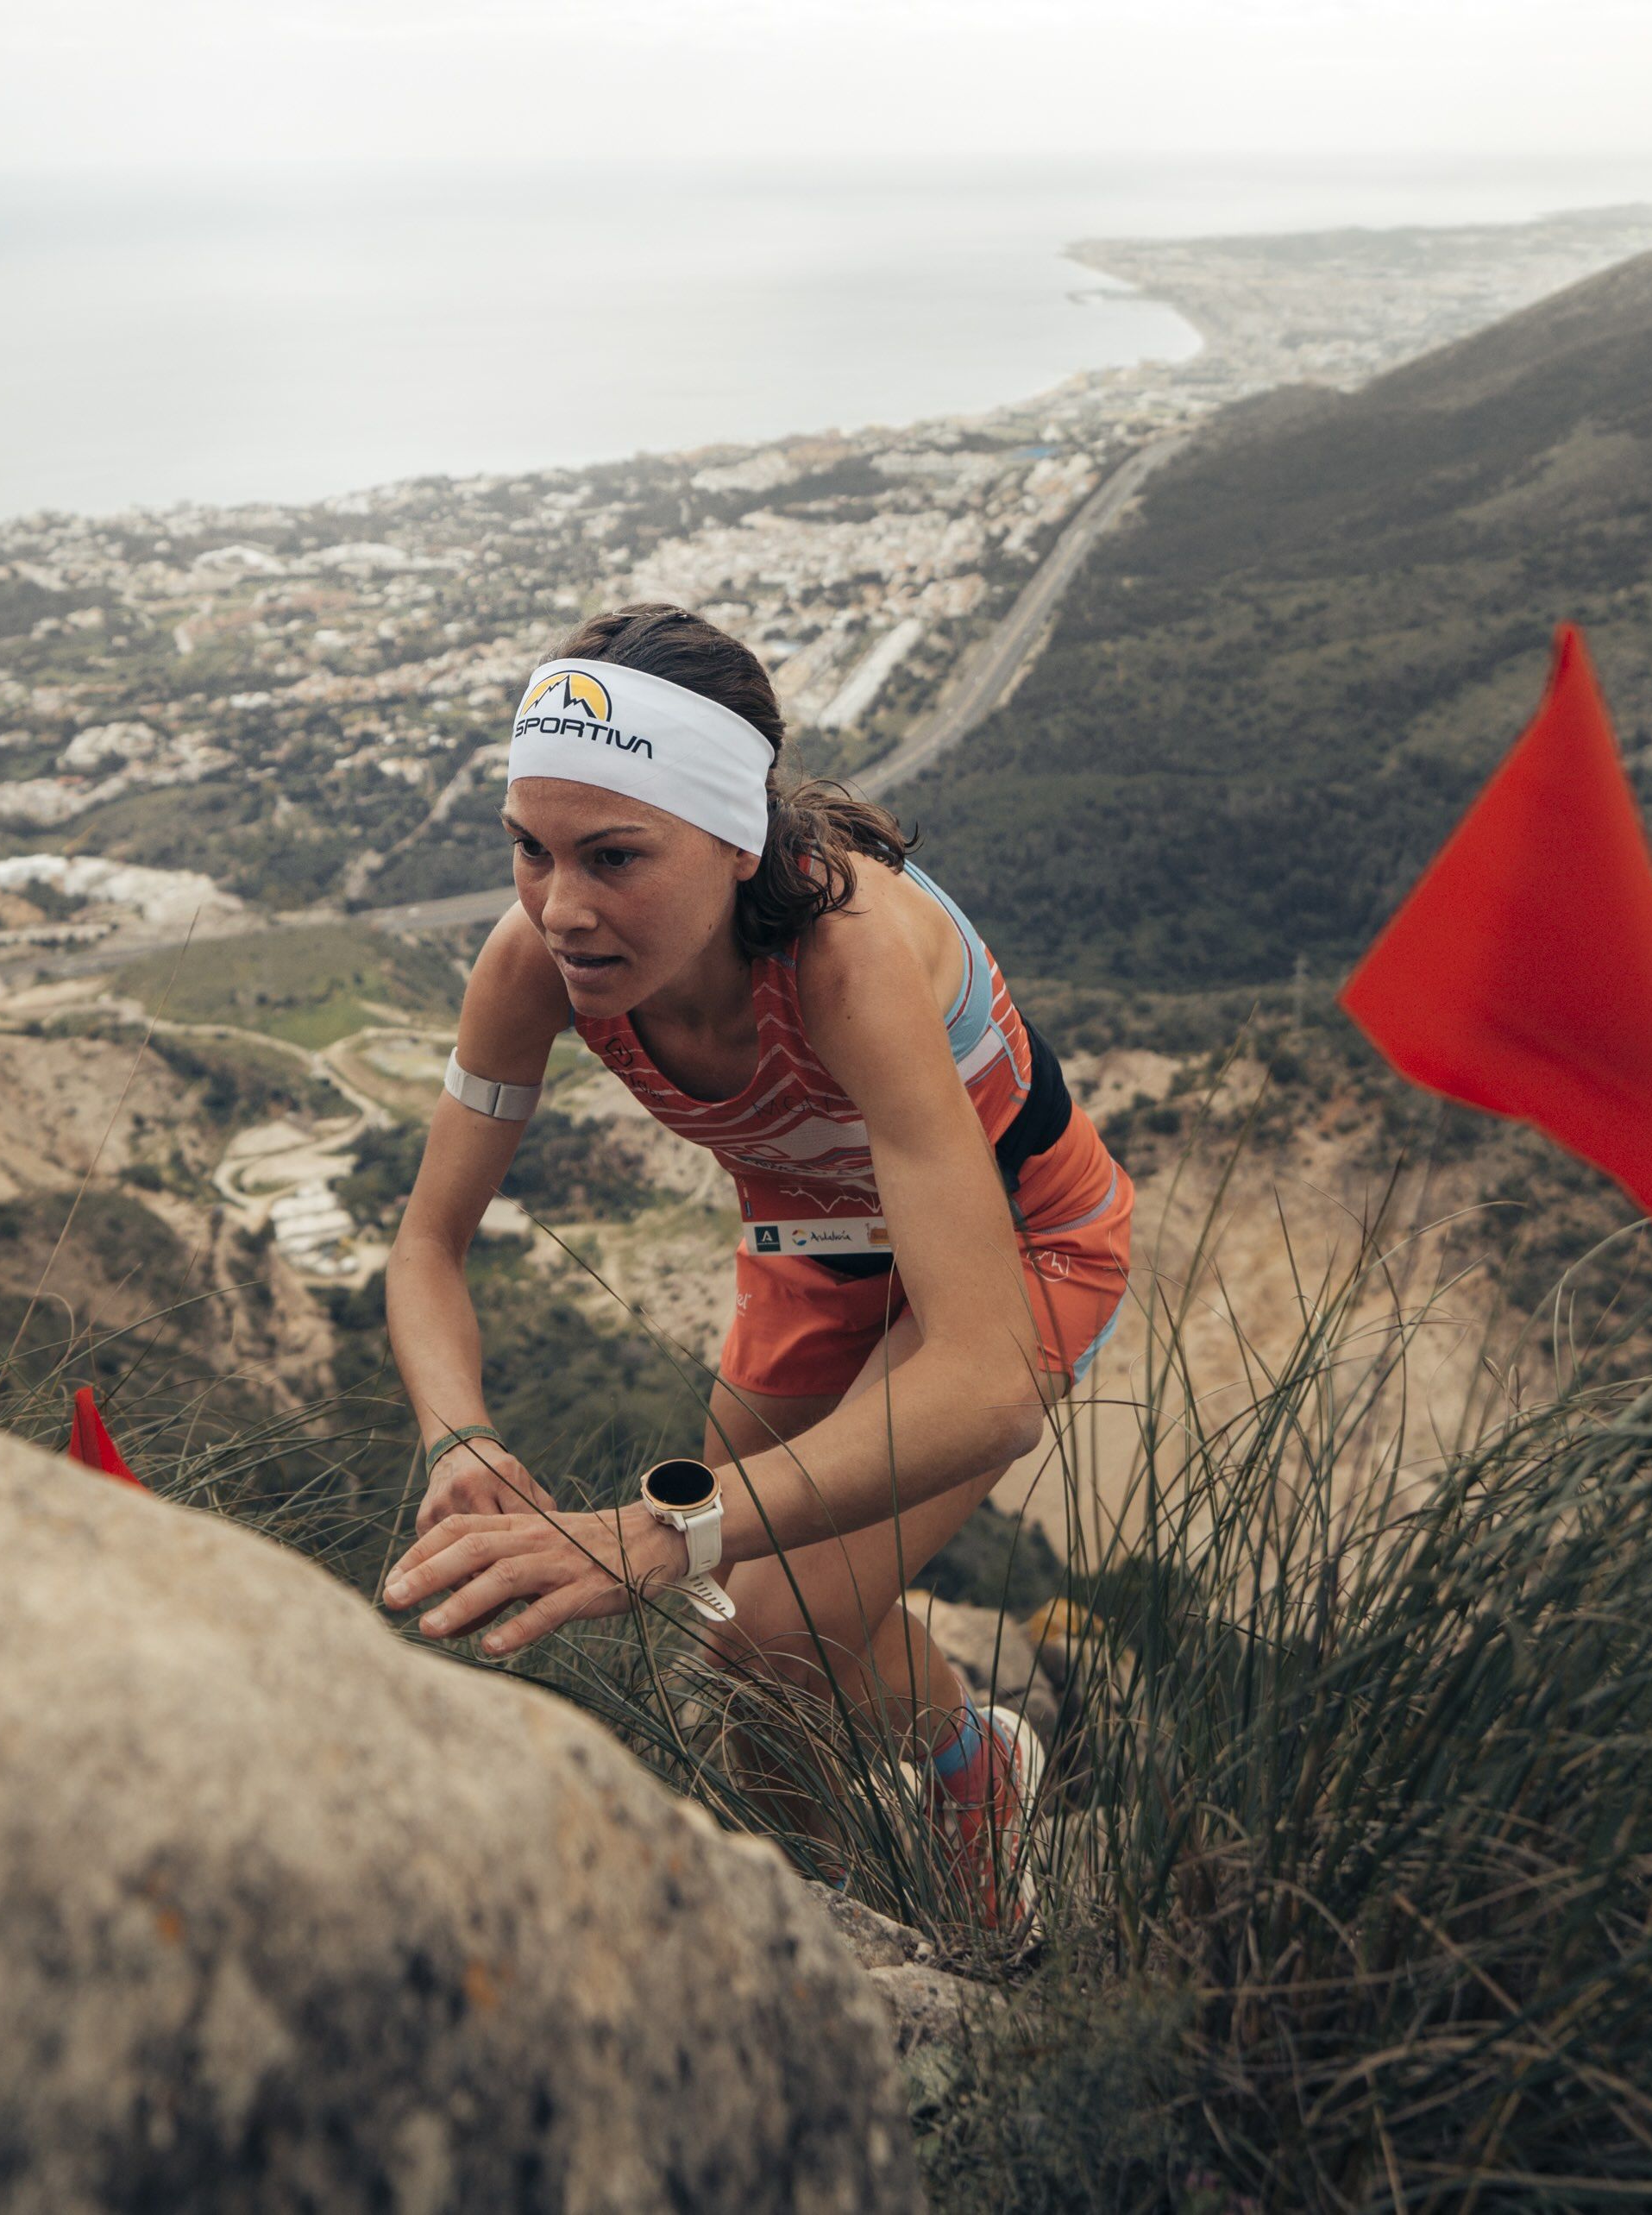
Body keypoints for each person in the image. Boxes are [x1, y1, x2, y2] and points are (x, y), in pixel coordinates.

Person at [377, 602, 1134, 1923]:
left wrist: (656, 1533)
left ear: (738, 839)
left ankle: (935, 1848)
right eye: (529, 851)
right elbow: (428, 1246)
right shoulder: (530, 971)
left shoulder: (845, 958)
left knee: (765, 1611)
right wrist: (458, 1443)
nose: (563, 908)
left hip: (1023, 1251)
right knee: (741, 1637)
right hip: (806, 1262)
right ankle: (854, 1895)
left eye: (615, 856)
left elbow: (985, 1382)